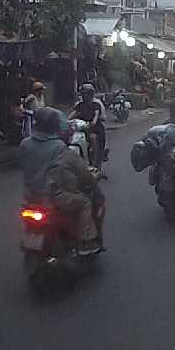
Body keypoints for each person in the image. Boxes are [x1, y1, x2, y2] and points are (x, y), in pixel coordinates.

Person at [19, 108, 104, 254]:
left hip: (31, 196)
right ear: (53, 126)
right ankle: (86, 242)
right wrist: (93, 183)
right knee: (85, 202)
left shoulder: (25, 144)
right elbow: (80, 170)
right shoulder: (58, 147)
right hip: (53, 197)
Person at [74, 84, 109, 176]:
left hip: (95, 128)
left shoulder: (96, 104)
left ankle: (94, 162)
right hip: (83, 128)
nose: (83, 96)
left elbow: (97, 114)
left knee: (93, 138)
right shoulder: (80, 104)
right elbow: (74, 113)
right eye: (82, 94)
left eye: (85, 93)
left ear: (90, 94)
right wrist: (66, 121)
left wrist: (93, 122)